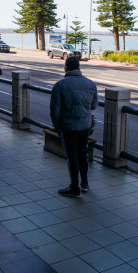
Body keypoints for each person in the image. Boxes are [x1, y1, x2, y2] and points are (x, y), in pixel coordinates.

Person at [50, 56, 98, 198]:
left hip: (68, 126)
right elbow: (94, 106)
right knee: (82, 154)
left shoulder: (60, 85)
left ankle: (74, 187)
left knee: (72, 156)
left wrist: (57, 127)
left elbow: (55, 110)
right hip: (85, 125)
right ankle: (84, 183)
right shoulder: (91, 84)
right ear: (79, 68)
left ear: (65, 68)